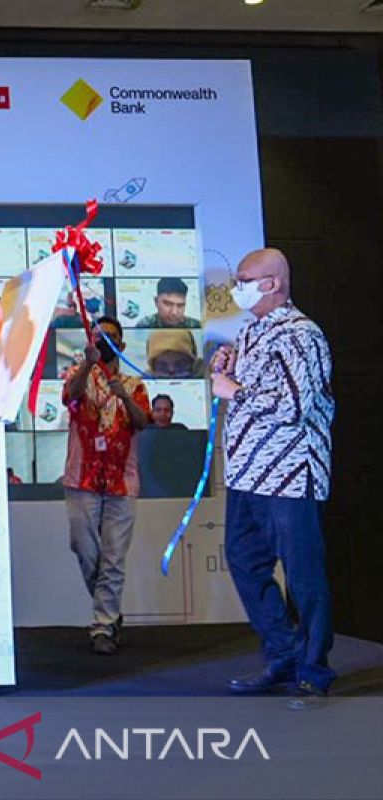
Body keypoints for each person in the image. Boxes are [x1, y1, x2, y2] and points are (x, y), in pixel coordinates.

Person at [211, 248, 335, 710]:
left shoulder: (302, 334)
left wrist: (235, 390)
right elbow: (257, 391)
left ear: (272, 284)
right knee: (245, 560)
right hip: (247, 474)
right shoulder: (250, 332)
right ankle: (283, 654)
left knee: (303, 574)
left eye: (243, 279)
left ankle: (313, 671)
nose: (235, 287)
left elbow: (294, 405)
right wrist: (228, 368)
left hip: (289, 474)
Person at [61, 316, 150, 655]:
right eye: (99, 337)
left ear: (121, 345)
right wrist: (88, 364)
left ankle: (103, 626)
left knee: (113, 558)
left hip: (121, 483)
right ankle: (110, 613)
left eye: (110, 338)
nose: (104, 342)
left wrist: (124, 397)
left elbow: (142, 422)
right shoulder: (78, 374)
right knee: (85, 550)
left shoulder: (133, 384)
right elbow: (70, 397)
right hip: (81, 478)